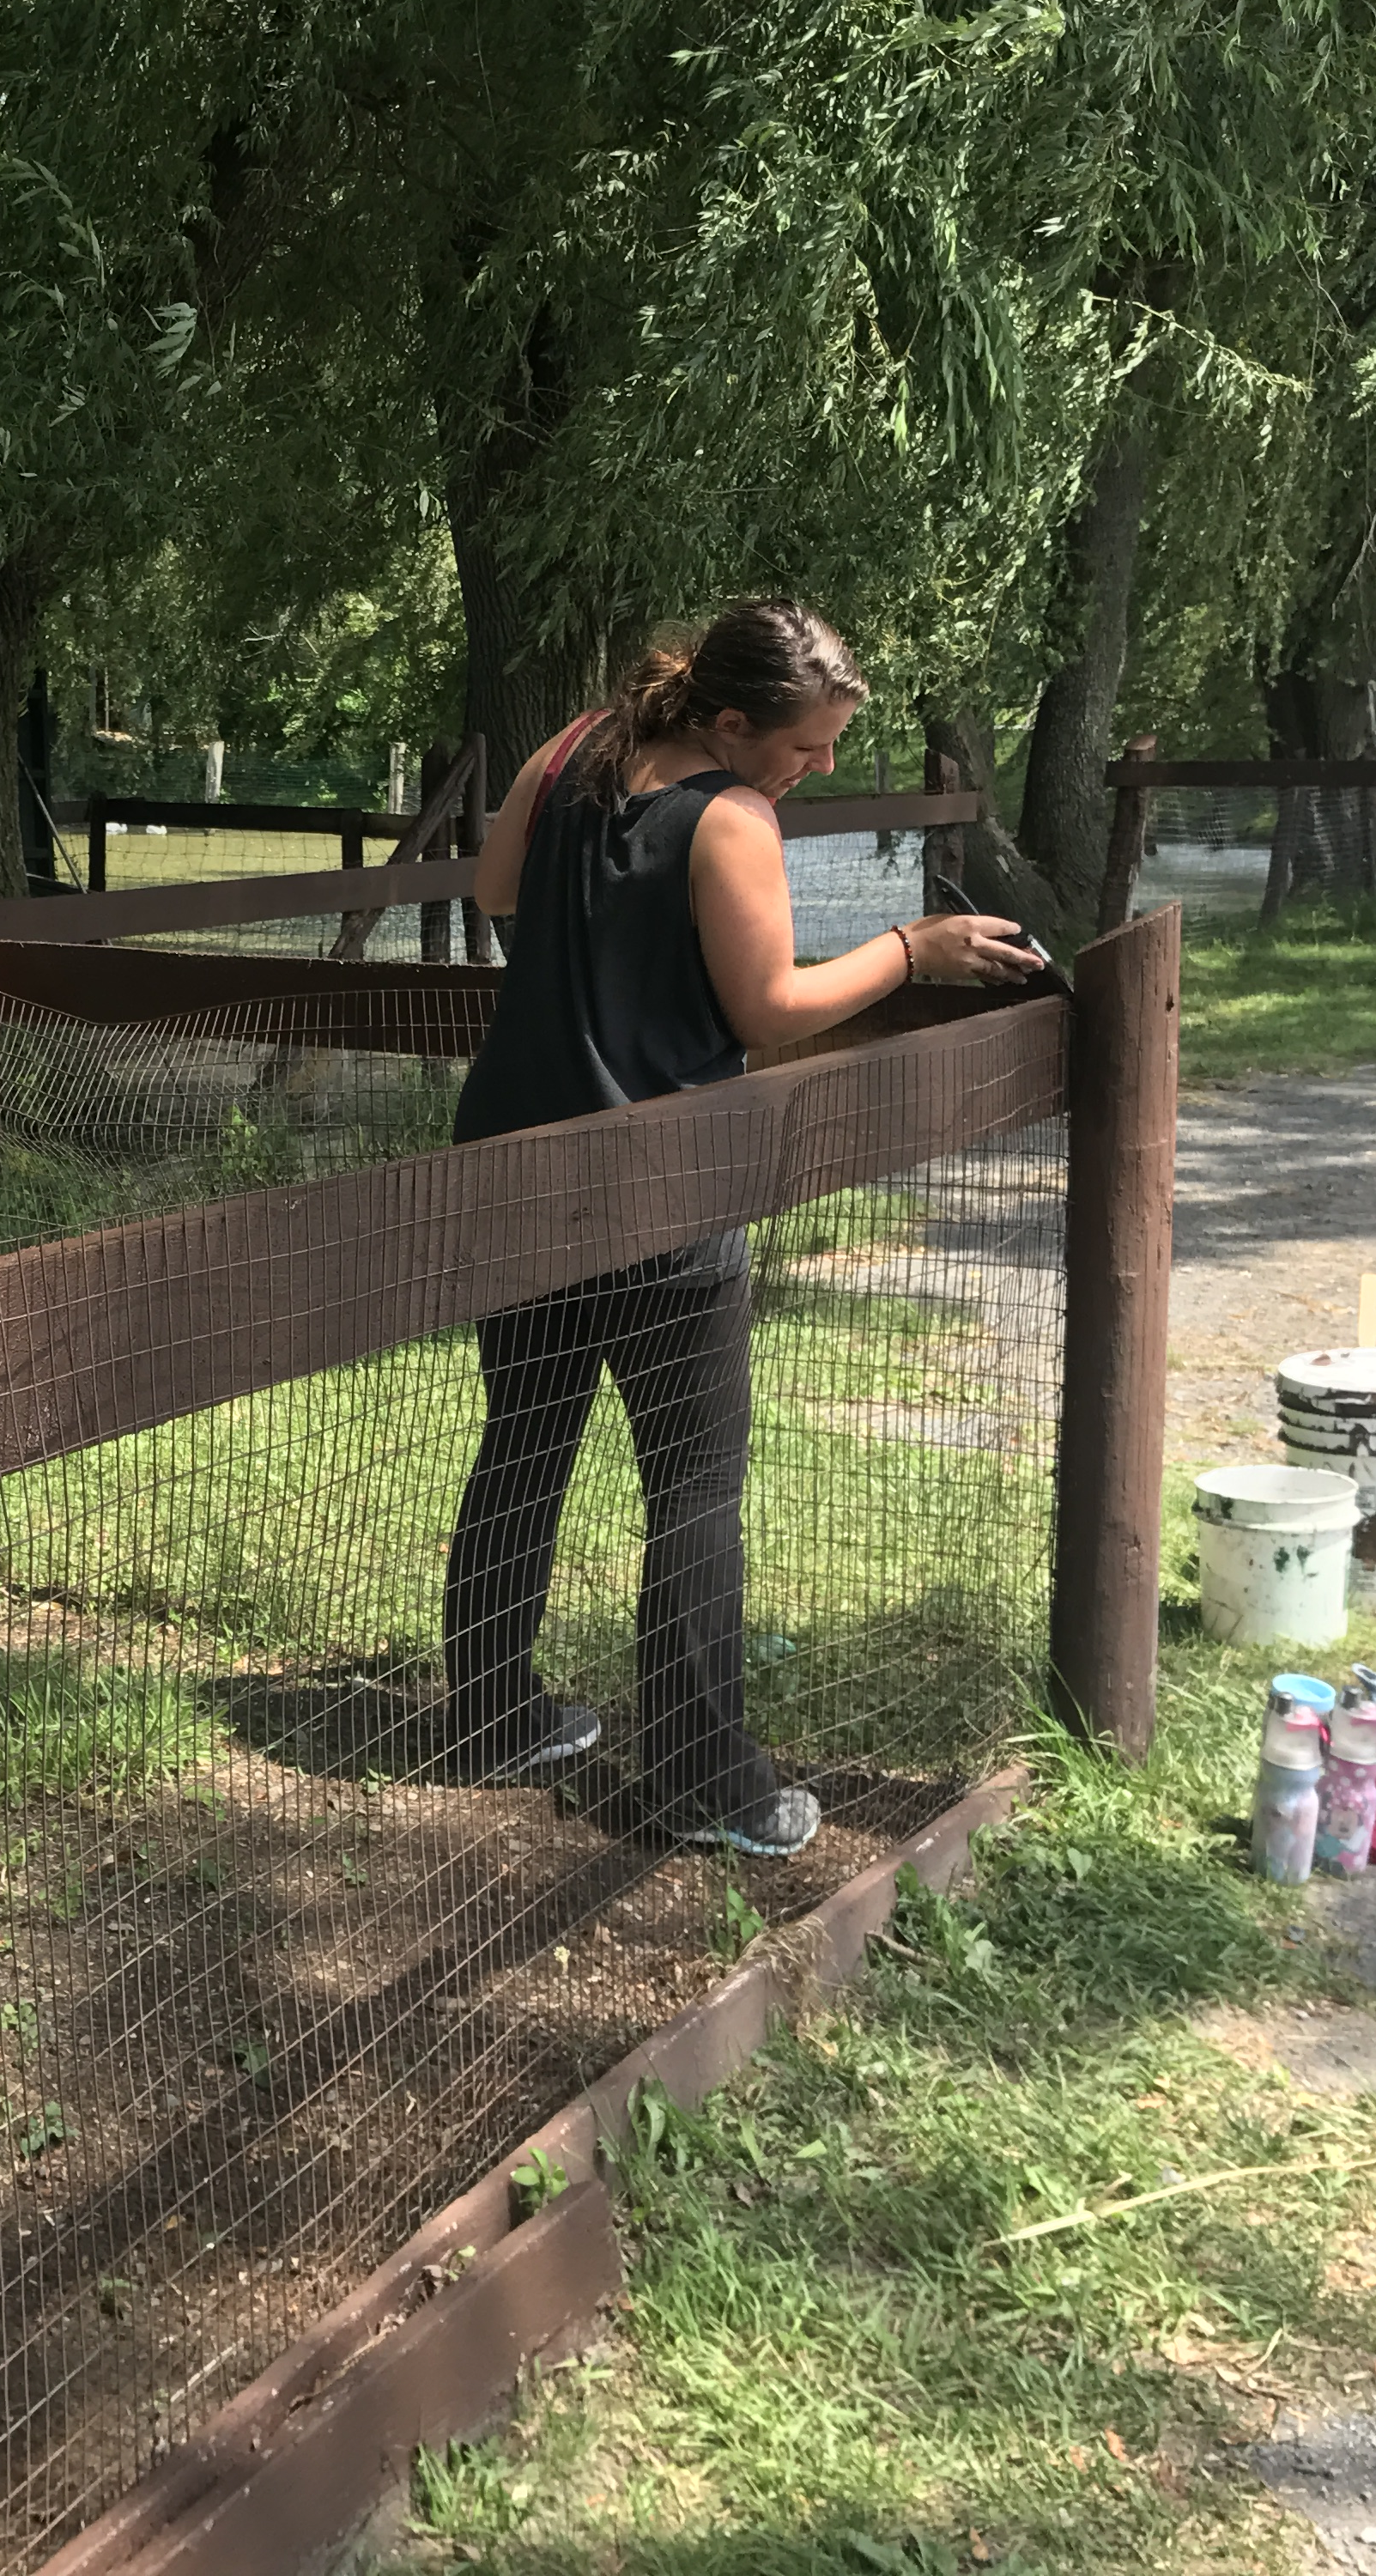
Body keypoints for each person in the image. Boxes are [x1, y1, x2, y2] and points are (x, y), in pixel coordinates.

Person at [440, 596, 1040, 1856]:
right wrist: (910, 947)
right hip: (662, 1181)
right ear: (728, 721)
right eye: (805, 747)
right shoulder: (731, 817)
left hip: (511, 1161)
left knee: (524, 1443)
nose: (815, 769)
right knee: (696, 1485)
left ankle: (489, 1717)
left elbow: (497, 888)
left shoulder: (571, 751)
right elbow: (769, 1007)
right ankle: (708, 1780)